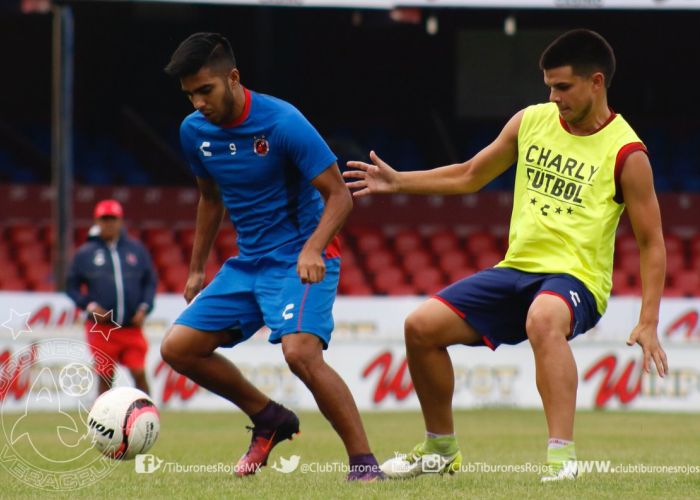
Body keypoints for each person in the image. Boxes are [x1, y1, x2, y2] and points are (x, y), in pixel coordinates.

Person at [344, 29, 668, 482]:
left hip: (576, 282)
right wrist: (399, 182)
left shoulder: (628, 153)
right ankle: (440, 449)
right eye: (549, 86)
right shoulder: (530, 121)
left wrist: (649, 319)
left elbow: (653, 242)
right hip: (514, 271)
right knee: (420, 327)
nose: (552, 96)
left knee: (543, 318)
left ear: (596, 82)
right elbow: (471, 174)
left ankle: (561, 460)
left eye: (563, 87)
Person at [159, 32, 383, 481]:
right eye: (189, 95)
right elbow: (209, 198)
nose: (198, 103)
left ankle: (364, 463)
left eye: (205, 90)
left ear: (233, 78)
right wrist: (197, 268)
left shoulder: (283, 123)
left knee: (300, 353)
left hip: (299, 255)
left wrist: (313, 248)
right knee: (177, 349)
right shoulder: (193, 133)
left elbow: (339, 196)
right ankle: (269, 417)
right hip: (249, 261)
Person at [66, 199, 156, 396]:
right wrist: (89, 306)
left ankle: (149, 414)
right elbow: (71, 286)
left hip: (131, 327)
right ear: (97, 222)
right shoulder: (85, 253)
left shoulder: (136, 250)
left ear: (121, 221)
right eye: (104, 219)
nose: (109, 223)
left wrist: (144, 307)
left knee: (138, 371)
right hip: (102, 328)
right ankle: (102, 422)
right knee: (106, 375)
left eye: (113, 219)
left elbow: (150, 281)